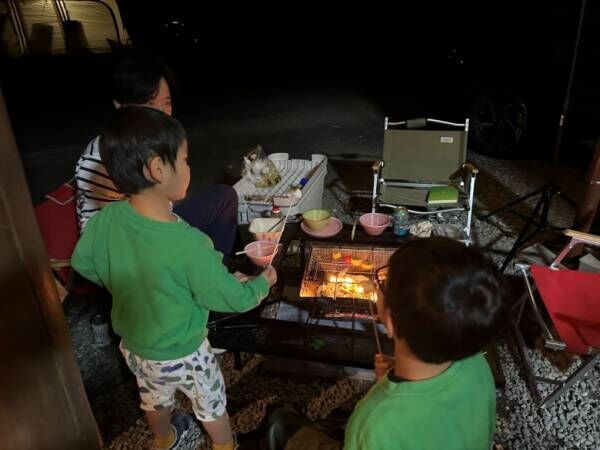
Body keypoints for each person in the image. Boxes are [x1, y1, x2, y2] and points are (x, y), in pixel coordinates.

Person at [72, 106, 277, 450]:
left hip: (137, 346)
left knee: (153, 398)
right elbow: (230, 298)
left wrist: (129, 283)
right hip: (185, 351)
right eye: (184, 159)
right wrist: (262, 282)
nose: (188, 168)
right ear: (157, 168)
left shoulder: (107, 219)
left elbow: (85, 262)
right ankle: (225, 445)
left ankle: (163, 438)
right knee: (211, 402)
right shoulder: (189, 243)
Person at [268, 237, 505, 450]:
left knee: (278, 422)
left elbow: (386, 427)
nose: (380, 286)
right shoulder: (477, 363)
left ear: (390, 321)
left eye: (384, 283)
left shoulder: (375, 420)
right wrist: (392, 377)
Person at [75, 55, 238, 255]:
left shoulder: (151, 140)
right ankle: (211, 278)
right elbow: (109, 239)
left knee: (224, 197)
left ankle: (217, 270)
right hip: (127, 250)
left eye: (166, 102)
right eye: (151, 104)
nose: (161, 114)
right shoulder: (101, 159)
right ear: (121, 105)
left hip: (155, 224)